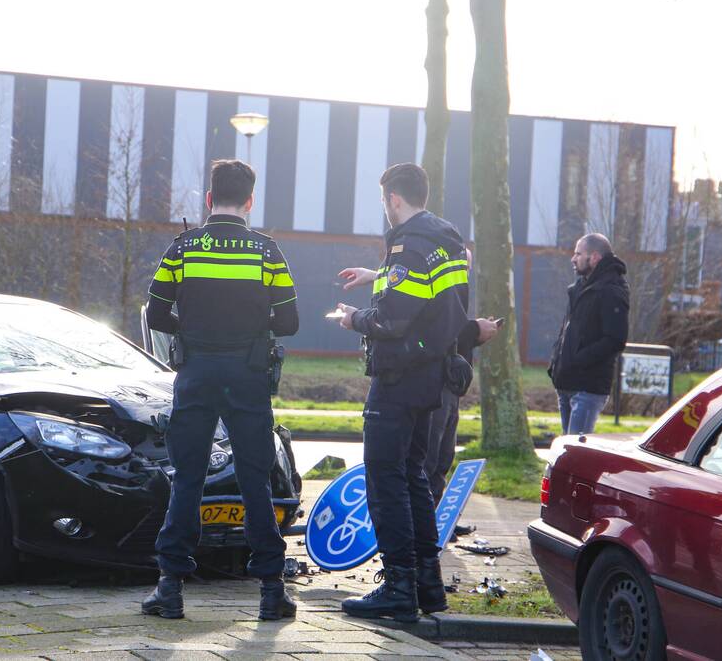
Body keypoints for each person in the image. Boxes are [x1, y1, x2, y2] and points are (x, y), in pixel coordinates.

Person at [141, 159, 299, 621]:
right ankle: (271, 591)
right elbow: (288, 323)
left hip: (196, 372)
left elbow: (155, 314)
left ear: (208, 199)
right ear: (250, 201)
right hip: (248, 376)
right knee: (255, 479)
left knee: (187, 477)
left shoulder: (184, 248)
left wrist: (188, 329)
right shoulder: (266, 252)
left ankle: (169, 588)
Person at [334, 163, 469, 623]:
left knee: (386, 482)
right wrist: (380, 276)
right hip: (431, 378)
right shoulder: (449, 243)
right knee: (414, 478)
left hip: (397, 378)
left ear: (393, 198)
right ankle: (428, 585)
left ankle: (397, 587)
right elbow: (432, 303)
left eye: (384, 201)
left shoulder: (407, 244)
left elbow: (393, 317)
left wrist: (355, 319)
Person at [339, 249, 500, 509]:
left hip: (448, 383)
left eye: (466, 268)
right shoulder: (439, 285)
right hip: (435, 382)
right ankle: (421, 522)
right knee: (426, 460)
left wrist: (372, 276)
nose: (463, 273)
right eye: (461, 266)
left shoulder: (446, 285)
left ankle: (430, 520)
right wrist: (474, 331)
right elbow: (429, 330)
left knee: (441, 457)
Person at [548, 233, 629, 435]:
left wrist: (578, 360)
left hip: (587, 387)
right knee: (567, 452)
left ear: (594, 257)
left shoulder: (611, 290)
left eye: (578, 254)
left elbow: (615, 340)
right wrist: (556, 362)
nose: (573, 259)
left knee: (576, 455)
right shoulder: (579, 288)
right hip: (566, 383)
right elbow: (568, 330)